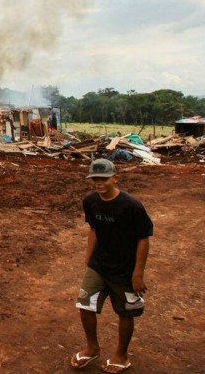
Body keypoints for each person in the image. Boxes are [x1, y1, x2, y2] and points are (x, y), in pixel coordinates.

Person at [71, 159, 153, 373]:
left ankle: (121, 355)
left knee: (125, 312)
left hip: (124, 269)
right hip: (99, 264)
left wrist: (138, 274)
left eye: (104, 178)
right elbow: (93, 230)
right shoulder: (90, 202)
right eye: (95, 179)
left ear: (115, 178)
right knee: (84, 304)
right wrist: (88, 258)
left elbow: (143, 239)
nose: (99, 183)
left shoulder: (131, 206)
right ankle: (92, 348)